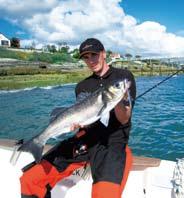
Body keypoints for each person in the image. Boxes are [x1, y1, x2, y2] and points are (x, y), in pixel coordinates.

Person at [20, 38, 136, 198]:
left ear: (103, 54)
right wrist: (74, 126)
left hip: (111, 143)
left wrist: (120, 99)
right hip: (84, 141)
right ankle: (38, 142)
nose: (90, 60)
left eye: (94, 55)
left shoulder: (122, 77)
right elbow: (84, 119)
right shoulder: (82, 86)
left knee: (105, 195)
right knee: (29, 180)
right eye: (86, 57)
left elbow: (124, 119)